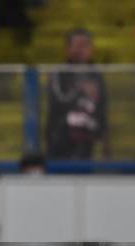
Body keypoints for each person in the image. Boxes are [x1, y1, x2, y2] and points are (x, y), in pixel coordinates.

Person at [46, 28, 109, 159]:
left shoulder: (96, 75)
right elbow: (58, 102)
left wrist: (103, 136)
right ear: (68, 49)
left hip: (87, 139)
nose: (81, 50)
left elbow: (102, 107)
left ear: (92, 49)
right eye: (77, 45)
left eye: (85, 45)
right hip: (60, 138)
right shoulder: (58, 73)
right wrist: (79, 90)